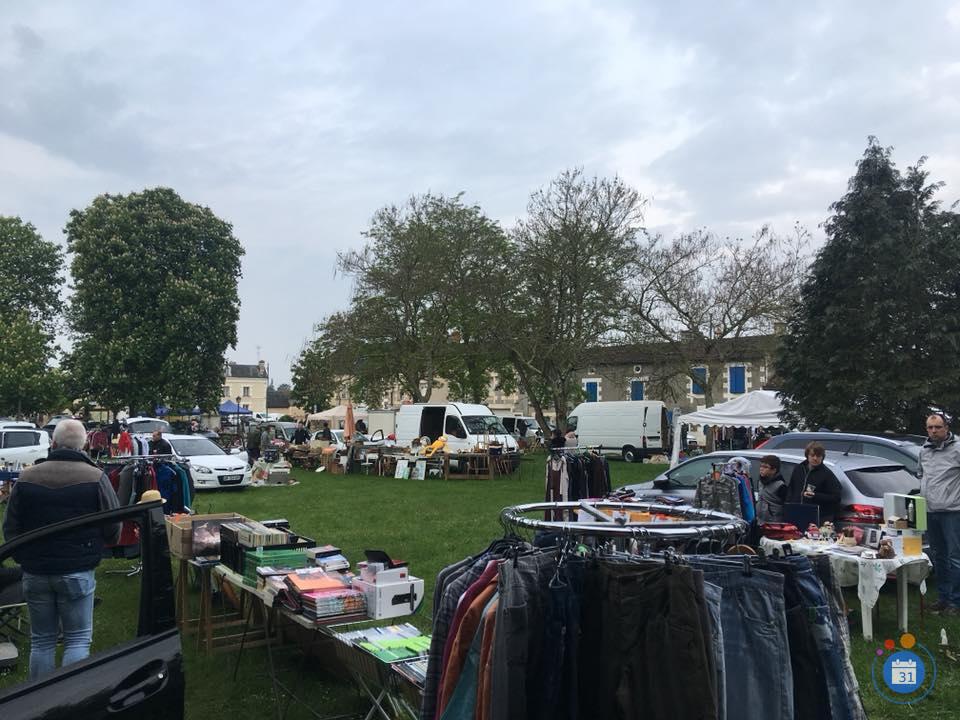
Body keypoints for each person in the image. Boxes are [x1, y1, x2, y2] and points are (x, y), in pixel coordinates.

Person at [2, 419, 121, 679]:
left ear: (53, 443)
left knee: (41, 641)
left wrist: (24, 556)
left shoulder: (26, 477)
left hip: (35, 571)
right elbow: (114, 524)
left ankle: (39, 704)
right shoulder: (96, 477)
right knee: (77, 640)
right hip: (77, 569)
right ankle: (70, 703)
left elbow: (10, 526)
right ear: (85, 445)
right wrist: (101, 547)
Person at [919, 413, 960, 614]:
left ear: (946, 427)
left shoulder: (957, 448)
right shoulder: (924, 451)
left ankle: (956, 601)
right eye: (930, 427)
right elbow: (923, 475)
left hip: (953, 511)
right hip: (930, 510)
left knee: (955, 557)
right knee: (938, 556)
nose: (933, 431)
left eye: (937, 427)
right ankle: (943, 598)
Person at [787, 441, 842, 522]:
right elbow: (791, 488)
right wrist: (789, 505)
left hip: (818, 516)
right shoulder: (798, 469)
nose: (815, 458)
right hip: (796, 512)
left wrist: (815, 495)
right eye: (812, 455)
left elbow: (836, 497)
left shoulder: (827, 474)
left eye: (818, 456)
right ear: (807, 456)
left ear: (822, 457)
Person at [756, 454, 788, 522]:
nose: (761, 469)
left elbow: (786, 505)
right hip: (760, 521)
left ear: (773, 470)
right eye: (761, 466)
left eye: (766, 467)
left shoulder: (780, 486)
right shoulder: (760, 482)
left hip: (774, 522)